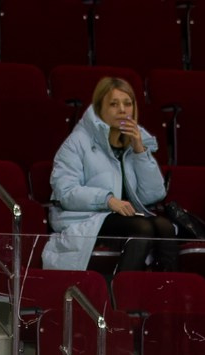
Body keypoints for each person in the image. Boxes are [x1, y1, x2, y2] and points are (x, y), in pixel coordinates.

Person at [43, 76, 172, 275]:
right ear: (99, 109)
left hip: (123, 219)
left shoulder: (134, 145)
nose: (122, 110)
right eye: (114, 104)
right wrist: (108, 200)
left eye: (128, 104)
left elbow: (153, 195)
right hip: (84, 218)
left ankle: (165, 289)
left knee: (165, 227)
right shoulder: (77, 142)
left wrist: (140, 151)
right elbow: (65, 192)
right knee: (142, 228)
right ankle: (121, 290)